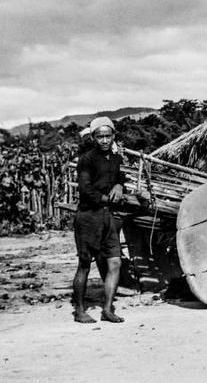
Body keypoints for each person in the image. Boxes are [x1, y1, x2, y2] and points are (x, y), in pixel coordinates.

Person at [72, 117, 126, 323]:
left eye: (108, 136)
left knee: (115, 262)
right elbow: (86, 191)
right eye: (100, 136)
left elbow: (121, 176)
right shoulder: (87, 159)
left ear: (113, 136)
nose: (104, 140)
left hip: (108, 218)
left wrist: (119, 186)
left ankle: (107, 309)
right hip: (89, 217)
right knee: (85, 264)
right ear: (93, 137)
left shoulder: (115, 158)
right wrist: (107, 199)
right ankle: (79, 310)